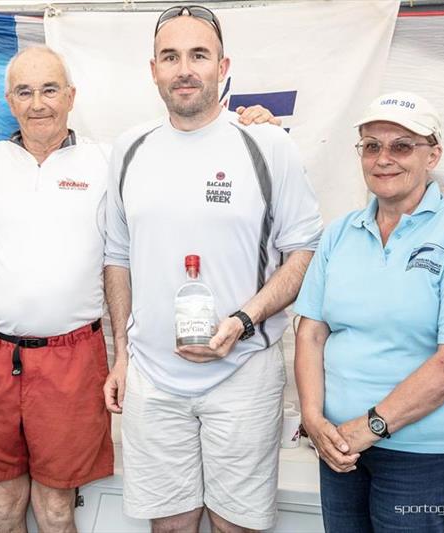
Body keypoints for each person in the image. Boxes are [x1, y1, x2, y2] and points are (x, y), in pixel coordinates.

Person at [0, 44, 279, 533]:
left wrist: (248, 127)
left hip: (70, 357)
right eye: (24, 91)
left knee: (57, 508)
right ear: (9, 100)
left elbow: (184, 162)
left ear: (71, 96)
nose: (38, 103)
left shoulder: (107, 161)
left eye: (49, 90)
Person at [104, 6, 323, 532]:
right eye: (170, 56)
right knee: (170, 526)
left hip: (243, 373)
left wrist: (244, 320)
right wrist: (121, 356)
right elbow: (117, 257)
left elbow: (305, 253)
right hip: (152, 379)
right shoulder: (129, 149)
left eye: (198, 55)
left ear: (223, 66)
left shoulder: (268, 145)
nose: (184, 69)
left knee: (235, 527)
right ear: (152, 69)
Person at [293, 92, 444, 532]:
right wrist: (314, 420)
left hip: (427, 456)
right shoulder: (339, 235)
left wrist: (369, 427)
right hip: (340, 449)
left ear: (433, 155)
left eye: (401, 146)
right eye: (372, 145)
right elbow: (311, 331)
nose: (384, 158)